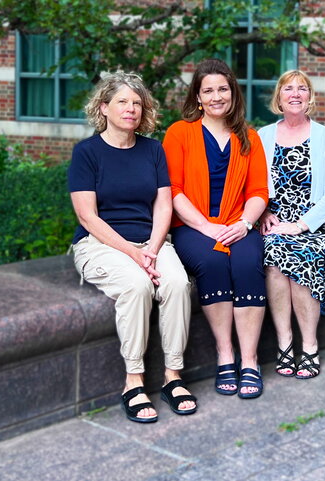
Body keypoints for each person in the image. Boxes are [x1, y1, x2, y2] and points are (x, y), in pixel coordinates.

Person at [68, 72, 196, 424]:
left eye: (137, 103)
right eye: (123, 101)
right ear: (104, 107)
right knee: (137, 286)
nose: (131, 108)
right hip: (102, 244)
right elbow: (87, 216)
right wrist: (132, 252)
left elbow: (163, 206)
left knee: (176, 284)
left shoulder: (153, 150)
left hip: (152, 242)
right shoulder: (87, 153)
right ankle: (134, 380)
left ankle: (173, 376)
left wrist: (153, 248)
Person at [162, 59, 269, 399]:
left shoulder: (248, 137)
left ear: (233, 93)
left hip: (239, 224)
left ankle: (250, 361)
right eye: (208, 90)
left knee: (247, 263)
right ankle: (226, 355)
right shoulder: (180, 132)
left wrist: (244, 224)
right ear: (197, 97)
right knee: (212, 263)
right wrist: (206, 226)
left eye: (222, 89)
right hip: (193, 226)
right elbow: (172, 190)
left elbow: (258, 192)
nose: (216, 96)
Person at [258, 70, 325, 379]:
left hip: (318, 224)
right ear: (279, 98)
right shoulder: (262, 136)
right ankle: (285, 343)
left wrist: (301, 225)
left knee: (300, 258)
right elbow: (252, 186)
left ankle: (309, 345)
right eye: (288, 89)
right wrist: (261, 214)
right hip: (277, 221)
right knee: (273, 253)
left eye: (302, 89)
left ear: (310, 97)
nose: (295, 94)